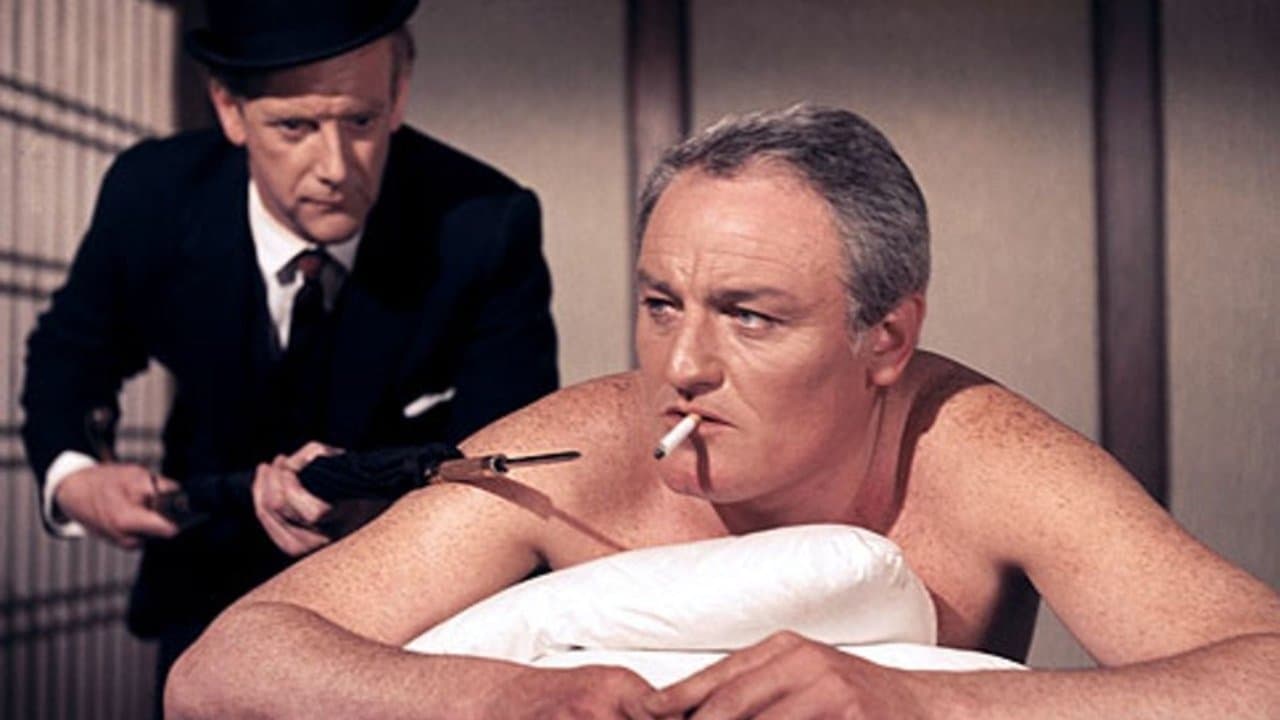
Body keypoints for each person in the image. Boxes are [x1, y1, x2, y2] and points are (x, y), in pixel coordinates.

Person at [167, 105, 1280, 718]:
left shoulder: (977, 450)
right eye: (660, 305)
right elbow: (222, 671)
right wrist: (504, 697)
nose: (682, 365)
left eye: (750, 316)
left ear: (885, 339)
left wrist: (917, 706)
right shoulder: (576, 451)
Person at [19, 0, 557, 698]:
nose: (335, 166)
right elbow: (70, 354)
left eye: (360, 122)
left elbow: (507, 446)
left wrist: (373, 509)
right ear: (230, 109)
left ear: (398, 94)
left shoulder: (484, 224)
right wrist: (75, 476)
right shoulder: (154, 194)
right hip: (205, 576)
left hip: (406, 595)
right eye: (294, 127)